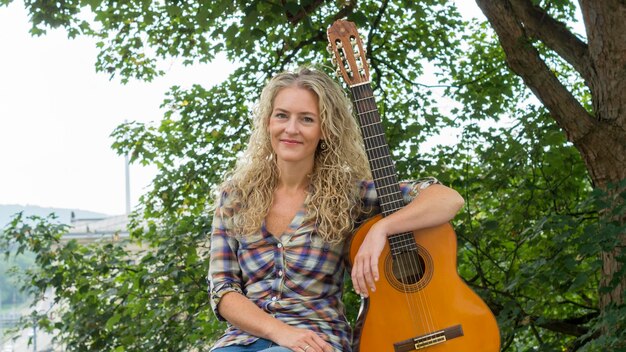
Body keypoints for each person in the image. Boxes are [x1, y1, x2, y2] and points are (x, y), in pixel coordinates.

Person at [208, 67, 465, 352]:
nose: (291, 129)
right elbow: (223, 291)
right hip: (242, 341)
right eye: (282, 115)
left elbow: (447, 199)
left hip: (318, 340)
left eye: (306, 119)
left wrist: (382, 228)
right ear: (268, 122)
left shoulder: (349, 193)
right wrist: (280, 332)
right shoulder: (235, 197)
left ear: (325, 129)